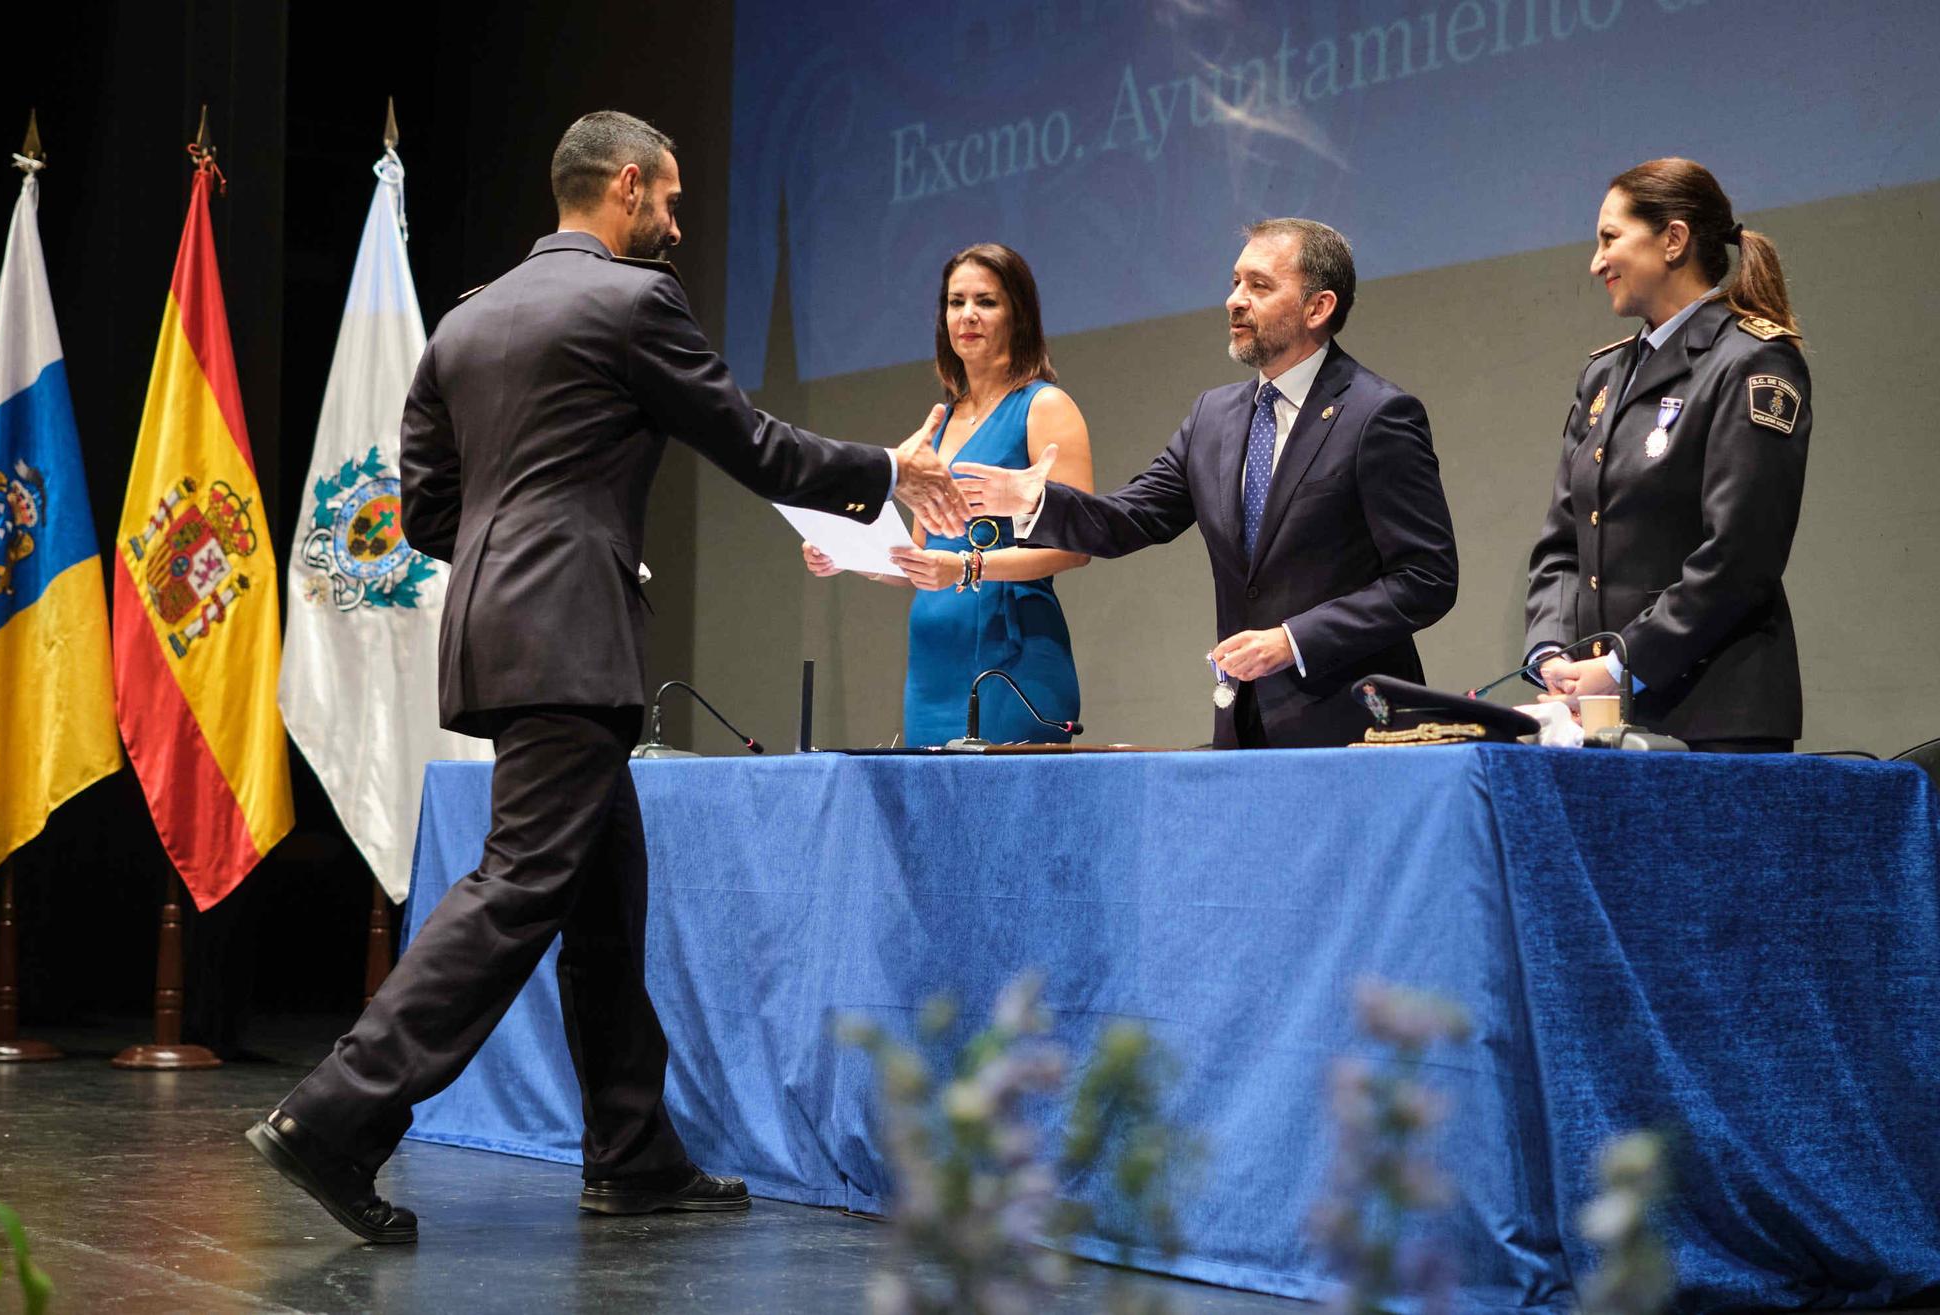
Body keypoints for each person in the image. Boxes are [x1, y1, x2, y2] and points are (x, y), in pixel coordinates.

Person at [244, 110, 969, 1244]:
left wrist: (525, 546)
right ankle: (335, 1112)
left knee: (601, 885)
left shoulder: (466, 319)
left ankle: (631, 1153)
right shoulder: (633, 302)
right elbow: (753, 443)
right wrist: (889, 467)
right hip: (569, 632)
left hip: (494, 626)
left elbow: (431, 507)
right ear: (625, 187)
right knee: (524, 879)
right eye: (672, 200)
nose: (677, 222)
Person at [955, 219, 1457, 749]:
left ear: (1318, 308)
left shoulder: (1376, 415)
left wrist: (1293, 640)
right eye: (1236, 282)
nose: (1234, 301)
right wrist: (1035, 501)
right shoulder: (1213, 416)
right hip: (1243, 727)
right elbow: (1131, 519)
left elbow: (1426, 578)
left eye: (1259, 286)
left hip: (1352, 727)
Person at [1523, 158, 1810, 753]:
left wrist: (1623, 663)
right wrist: (1551, 652)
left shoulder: (1750, 360)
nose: (1596, 262)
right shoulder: (1603, 374)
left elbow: (1740, 555)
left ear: (1673, 240)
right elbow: (1562, 543)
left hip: (1715, 716)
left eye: (1610, 239)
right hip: (1603, 717)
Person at [801, 243, 1093, 745]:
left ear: (1018, 314)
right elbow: (925, 556)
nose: (968, 315)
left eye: (986, 301)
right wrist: (850, 556)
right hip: (935, 660)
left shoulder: (1044, 406)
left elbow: (1077, 545)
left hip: (1011, 658)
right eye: (956, 303)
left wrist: (968, 567)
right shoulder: (942, 420)